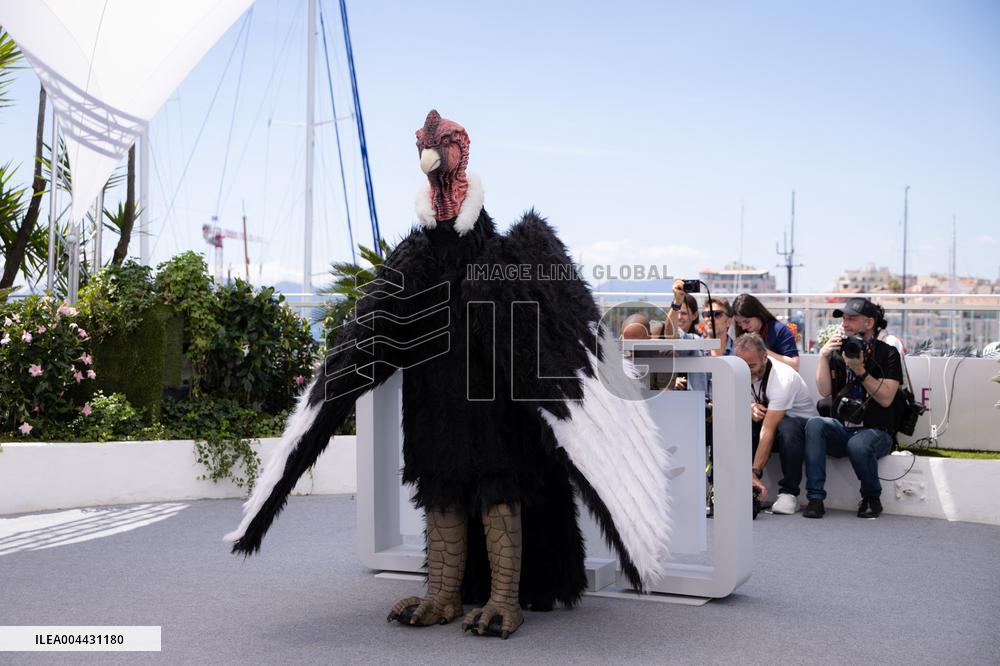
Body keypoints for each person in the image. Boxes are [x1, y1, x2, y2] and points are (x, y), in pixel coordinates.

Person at [802, 298, 905, 519]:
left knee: (859, 444)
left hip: (877, 431)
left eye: (851, 319)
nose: (845, 323)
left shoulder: (888, 353)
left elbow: (886, 398)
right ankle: (815, 499)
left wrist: (860, 371)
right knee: (815, 424)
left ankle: (871, 498)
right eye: (844, 319)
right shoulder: (839, 352)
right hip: (844, 428)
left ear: (869, 323)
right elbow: (824, 390)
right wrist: (823, 356)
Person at [734, 333, 817, 515]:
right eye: (742, 366)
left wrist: (754, 472)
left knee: (787, 427)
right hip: (772, 424)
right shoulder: (741, 372)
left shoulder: (783, 378)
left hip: (802, 431)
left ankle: (789, 493)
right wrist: (749, 406)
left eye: (752, 366)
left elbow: (769, 429)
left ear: (765, 357)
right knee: (740, 421)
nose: (747, 371)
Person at [732, 293, 800, 371]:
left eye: (747, 321)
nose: (743, 327)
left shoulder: (779, 330)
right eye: (739, 323)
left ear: (757, 314)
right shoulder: (741, 333)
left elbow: (795, 365)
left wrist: (762, 350)